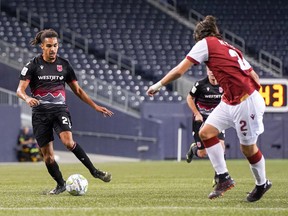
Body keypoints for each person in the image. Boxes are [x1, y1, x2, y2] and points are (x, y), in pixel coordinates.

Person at [147, 15, 271, 202]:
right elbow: (253, 74)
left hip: (245, 102)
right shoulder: (230, 47)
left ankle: (262, 183)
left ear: (200, 36)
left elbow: (180, 70)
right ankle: (224, 178)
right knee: (205, 133)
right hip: (230, 100)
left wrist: (157, 85)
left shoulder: (206, 43)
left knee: (247, 149)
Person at [16, 29, 114, 195]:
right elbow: (20, 90)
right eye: (49, 46)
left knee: (68, 142)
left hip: (59, 110)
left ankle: (94, 171)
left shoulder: (64, 65)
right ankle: (60, 184)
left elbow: (78, 90)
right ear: (42, 46)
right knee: (48, 157)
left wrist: (95, 106)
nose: (53, 49)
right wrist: (27, 99)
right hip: (40, 114)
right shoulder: (31, 66)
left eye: (55, 45)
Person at [186, 66, 225, 163]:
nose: (212, 72)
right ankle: (193, 149)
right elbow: (189, 98)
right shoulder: (200, 84)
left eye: (214, 69)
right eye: (209, 70)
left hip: (216, 119)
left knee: (221, 146)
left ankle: (220, 177)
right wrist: (197, 114)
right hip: (201, 119)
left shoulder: (224, 84)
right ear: (207, 71)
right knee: (202, 153)